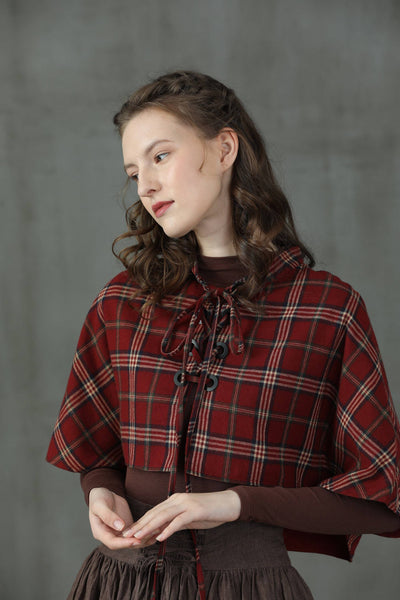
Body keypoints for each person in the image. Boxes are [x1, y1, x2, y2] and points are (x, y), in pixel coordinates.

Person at [46, 70, 400, 600]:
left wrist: (235, 503)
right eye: (134, 171)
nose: (145, 185)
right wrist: (101, 493)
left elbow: (384, 496)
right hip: (118, 585)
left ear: (225, 148)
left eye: (160, 156)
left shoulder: (327, 309)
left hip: (250, 587)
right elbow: (97, 451)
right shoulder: (121, 303)